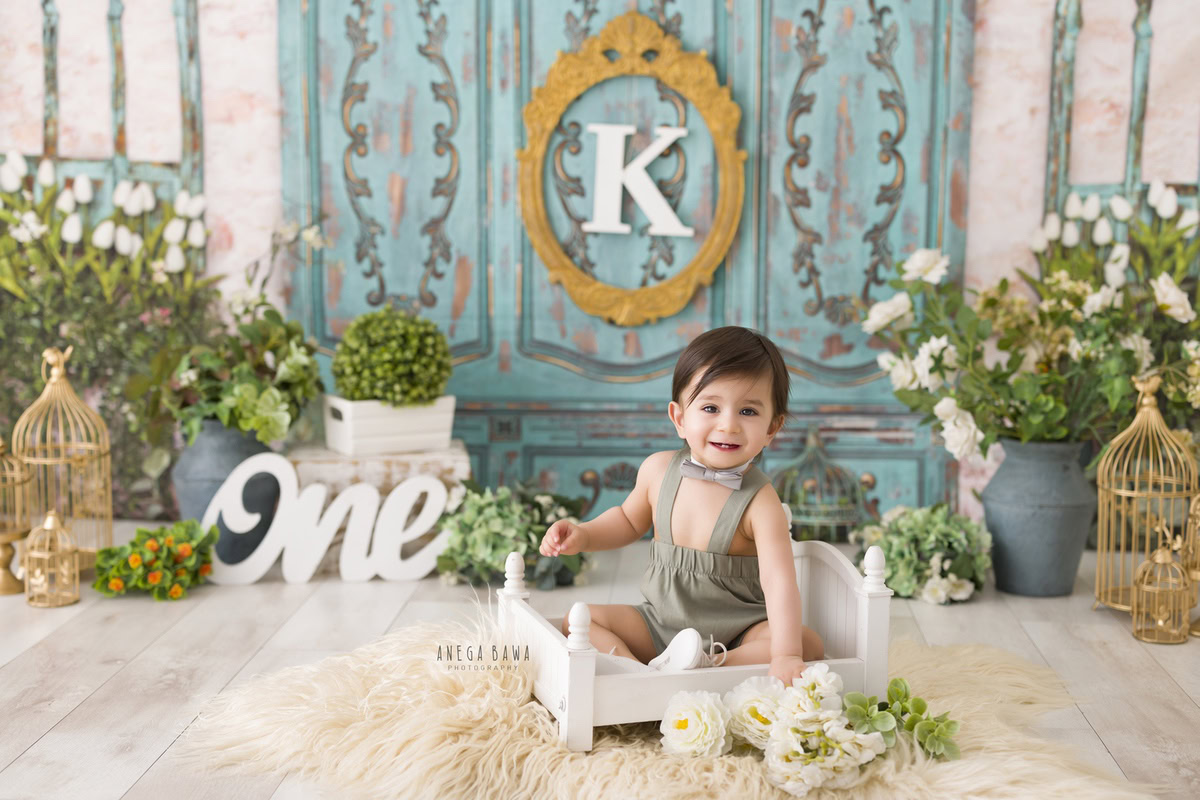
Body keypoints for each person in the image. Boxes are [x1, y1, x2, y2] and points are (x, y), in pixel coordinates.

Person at [539, 326, 823, 686]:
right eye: (710, 407)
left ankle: (706, 665)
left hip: (737, 632)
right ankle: (640, 674)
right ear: (679, 418)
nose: (728, 424)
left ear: (772, 428)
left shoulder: (760, 501)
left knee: (806, 643)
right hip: (659, 623)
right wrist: (583, 534)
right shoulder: (658, 470)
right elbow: (626, 520)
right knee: (578, 620)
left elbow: (779, 581)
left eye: (748, 411)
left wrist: (785, 655)